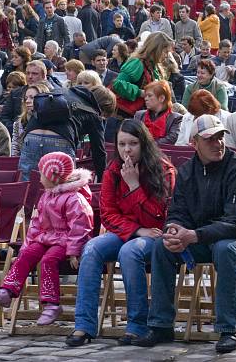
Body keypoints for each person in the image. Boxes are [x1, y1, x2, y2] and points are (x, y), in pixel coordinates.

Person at [136, 114, 236, 353]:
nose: (217, 143)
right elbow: (178, 211)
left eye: (220, 137)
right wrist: (174, 230)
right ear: (194, 143)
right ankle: (161, 325)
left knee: (225, 248)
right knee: (161, 246)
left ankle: (229, 330)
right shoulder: (187, 171)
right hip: (203, 237)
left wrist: (193, 235)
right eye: (210, 139)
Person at [67, 121, 175, 346]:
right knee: (92, 248)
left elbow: (158, 217)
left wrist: (134, 186)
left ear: (144, 144)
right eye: (122, 144)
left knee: (129, 252)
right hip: (129, 231)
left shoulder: (164, 170)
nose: (127, 150)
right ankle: (84, 325)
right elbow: (108, 214)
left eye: (133, 144)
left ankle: (137, 325)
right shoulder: (113, 170)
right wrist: (136, 230)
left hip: (156, 235)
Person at [0, 152, 93, 326]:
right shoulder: (47, 195)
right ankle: (7, 291)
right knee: (27, 253)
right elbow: (36, 223)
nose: (40, 177)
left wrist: (74, 252)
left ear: (53, 175)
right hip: (47, 238)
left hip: (65, 241)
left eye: (42, 173)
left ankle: (51, 305)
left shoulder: (74, 198)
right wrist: (28, 245)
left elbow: (80, 226)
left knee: (48, 260)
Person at [112, 33, 173, 118]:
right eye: (165, 52)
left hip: (141, 116)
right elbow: (118, 84)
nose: (166, 56)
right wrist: (140, 92)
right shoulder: (137, 63)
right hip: (125, 116)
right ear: (156, 49)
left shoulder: (154, 66)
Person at [133, 81, 183, 145]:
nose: (146, 99)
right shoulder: (139, 115)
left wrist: (148, 145)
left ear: (161, 98)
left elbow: (171, 139)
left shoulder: (176, 118)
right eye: (145, 96)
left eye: (149, 96)